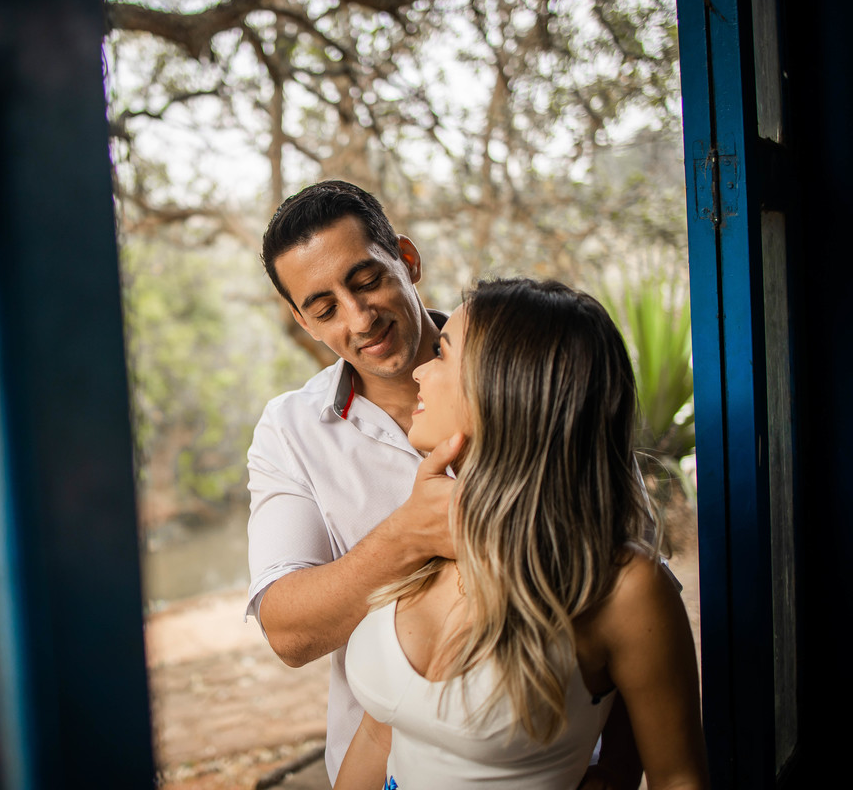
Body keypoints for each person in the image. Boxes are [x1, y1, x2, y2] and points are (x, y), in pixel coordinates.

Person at [245, 181, 640, 787]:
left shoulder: (530, 376)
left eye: (367, 280)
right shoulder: (291, 432)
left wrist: (606, 777)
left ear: (406, 259)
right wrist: (408, 537)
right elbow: (288, 632)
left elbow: (631, 607)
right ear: (302, 322)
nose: (360, 318)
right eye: (324, 309)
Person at [334, 278, 708, 789]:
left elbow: (679, 779)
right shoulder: (424, 539)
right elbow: (380, 737)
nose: (421, 369)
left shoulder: (624, 588)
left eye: (442, 354)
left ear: (505, 388)